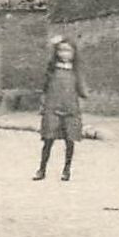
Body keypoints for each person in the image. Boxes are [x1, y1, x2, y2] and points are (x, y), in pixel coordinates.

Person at [35, 36, 87, 181]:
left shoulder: (76, 71)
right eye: (61, 50)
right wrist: (43, 105)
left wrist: (82, 99)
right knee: (48, 140)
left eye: (68, 51)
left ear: (74, 53)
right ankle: (41, 169)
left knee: (70, 141)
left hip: (71, 109)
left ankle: (66, 169)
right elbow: (44, 88)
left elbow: (81, 89)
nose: (65, 54)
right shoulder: (51, 70)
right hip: (52, 108)